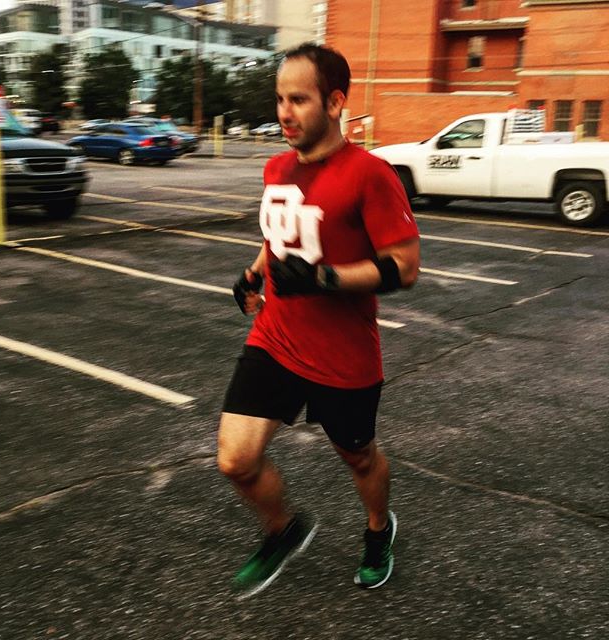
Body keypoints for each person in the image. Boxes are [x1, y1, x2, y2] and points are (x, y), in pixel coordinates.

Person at [217, 42, 420, 599]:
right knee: (236, 459)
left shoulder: (370, 175)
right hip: (276, 338)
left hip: (343, 355)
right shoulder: (276, 166)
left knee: (359, 457)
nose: (284, 112)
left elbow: (405, 268)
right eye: (280, 99)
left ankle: (379, 530)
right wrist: (254, 272)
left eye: (299, 99)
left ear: (334, 102)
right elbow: (280, 235)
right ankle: (282, 530)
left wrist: (326, 279)